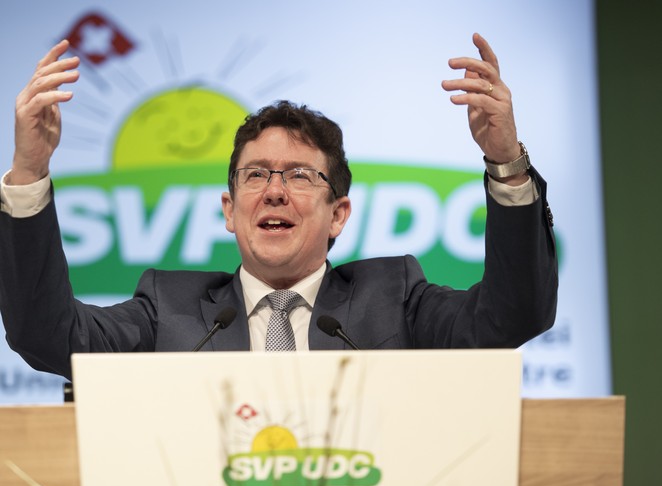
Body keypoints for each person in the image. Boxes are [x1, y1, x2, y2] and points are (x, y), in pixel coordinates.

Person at [0, 34, 557, 380]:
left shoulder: (396, 297)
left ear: (339, 214)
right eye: (256, 175)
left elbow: (513, 315)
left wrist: (506, 162)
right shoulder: (167, 309)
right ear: (229, 209)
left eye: (299, 175)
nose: (273, 190)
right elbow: (48, 334)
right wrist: (29, 173)